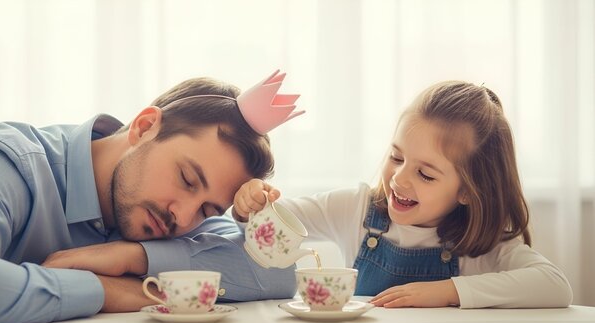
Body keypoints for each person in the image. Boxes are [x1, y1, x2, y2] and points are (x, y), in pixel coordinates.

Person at [0, 70, 302, 323]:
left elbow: (277, 274)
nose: (184, 216)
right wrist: (103, 290)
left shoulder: (180, 219)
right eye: (187, 179)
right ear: (144, 127)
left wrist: (133, 258)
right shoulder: (7, 161)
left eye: (209, 210)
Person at [233, 80, 573, 309]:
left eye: (425, 173)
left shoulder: (484, 246)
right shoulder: (356, 209)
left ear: (469, 191)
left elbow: (556, 286)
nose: (399, 177)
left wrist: (446, 292)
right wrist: (252, 203)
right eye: (397, 157)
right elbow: (275, 216)